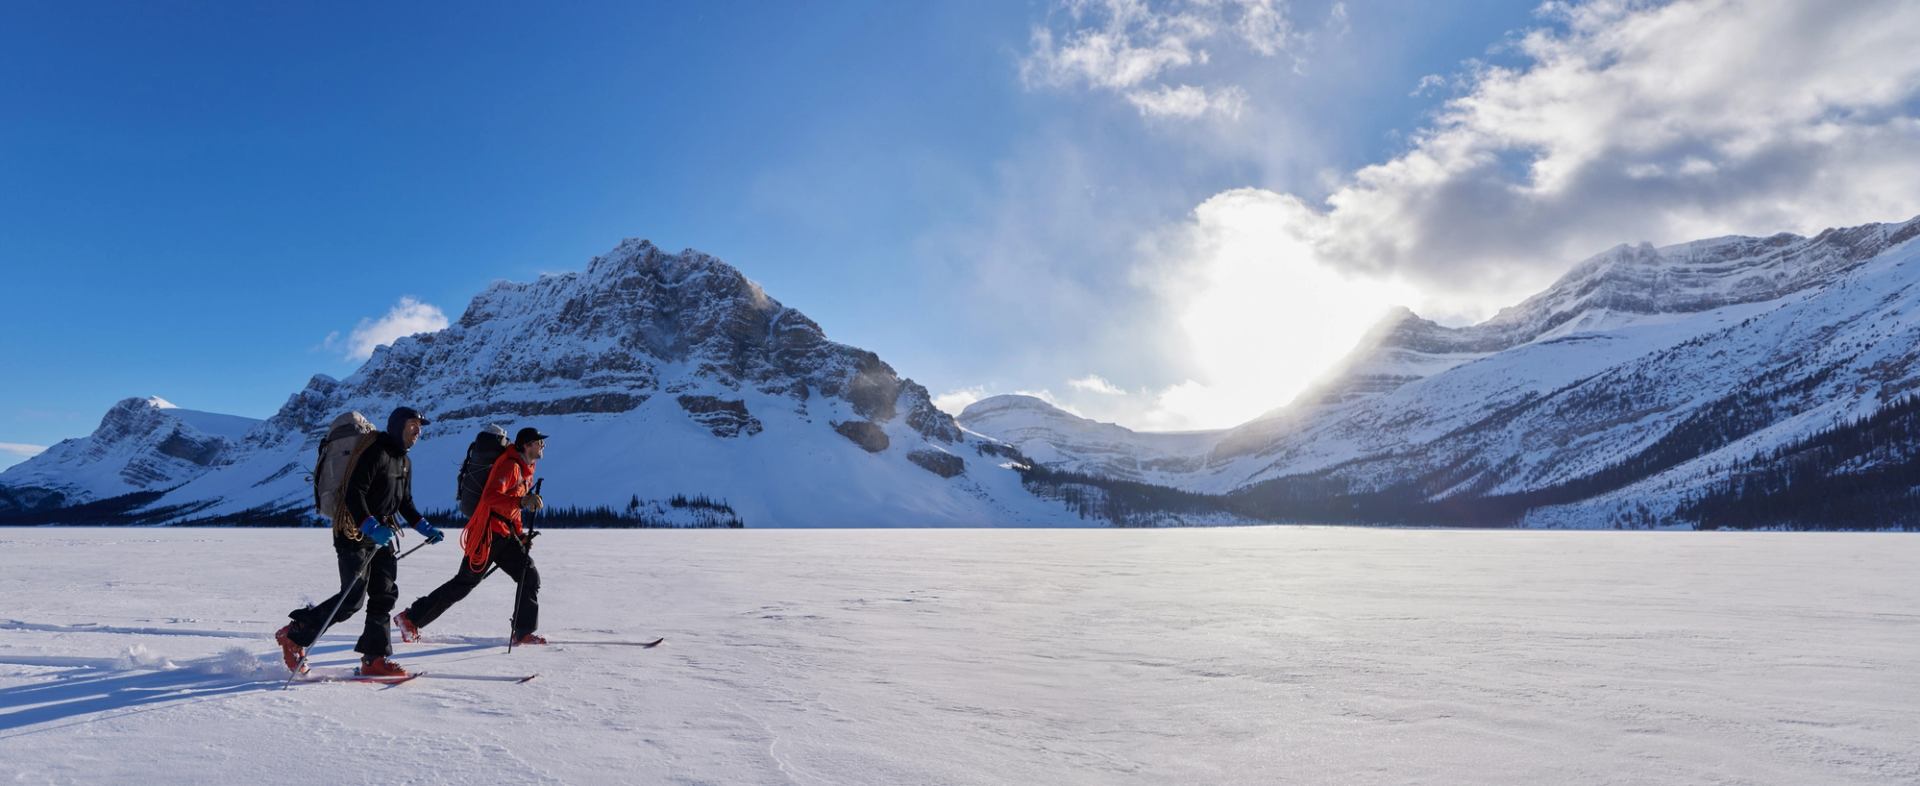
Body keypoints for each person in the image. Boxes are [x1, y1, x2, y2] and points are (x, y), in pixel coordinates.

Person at [274, 407, 444, 677]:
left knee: (384, 593)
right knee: (353, 597)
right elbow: (355, 492)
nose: (418, 431)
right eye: (413, 425)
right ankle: (295, 635)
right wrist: (369, 526)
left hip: (381, 532)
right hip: (352, 529)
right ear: (399, 425)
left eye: (420, 427)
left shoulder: (404, 461)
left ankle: (374, 659)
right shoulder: (375, 451)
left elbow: (405, 502)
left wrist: (424, 527)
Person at [394, 426, 547, 646]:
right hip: (488, 534)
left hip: (504, 535)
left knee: (529, 576)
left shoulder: (524, 468)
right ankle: (410, 618)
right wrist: (522, 502)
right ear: (527, 444)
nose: (543, 446)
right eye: (539, 442)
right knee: (463, 583)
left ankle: (523, 632)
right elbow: (490, 498)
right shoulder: (510, 466)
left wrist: (520, 534)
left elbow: (512, 507)